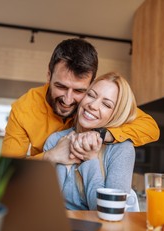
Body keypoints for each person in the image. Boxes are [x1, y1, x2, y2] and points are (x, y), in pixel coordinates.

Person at [1, 38, 159, 163]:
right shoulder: (23, 109)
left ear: (91, 85)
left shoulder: (93, 104)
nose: (68, 100)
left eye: (79, 91)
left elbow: (150, 127)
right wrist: (50, 157)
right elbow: (8, 171)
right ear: (49, 76)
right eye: (61, 87)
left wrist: (102, 135)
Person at [43, 72, 137, 210]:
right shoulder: (56, 140)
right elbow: (43, 203)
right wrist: (52, 156)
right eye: (91, 95)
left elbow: (110, 211)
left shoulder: (122, 150)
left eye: (106, 104)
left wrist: (90, 160)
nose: (93, 105)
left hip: (99, 230)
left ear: (116, 114)